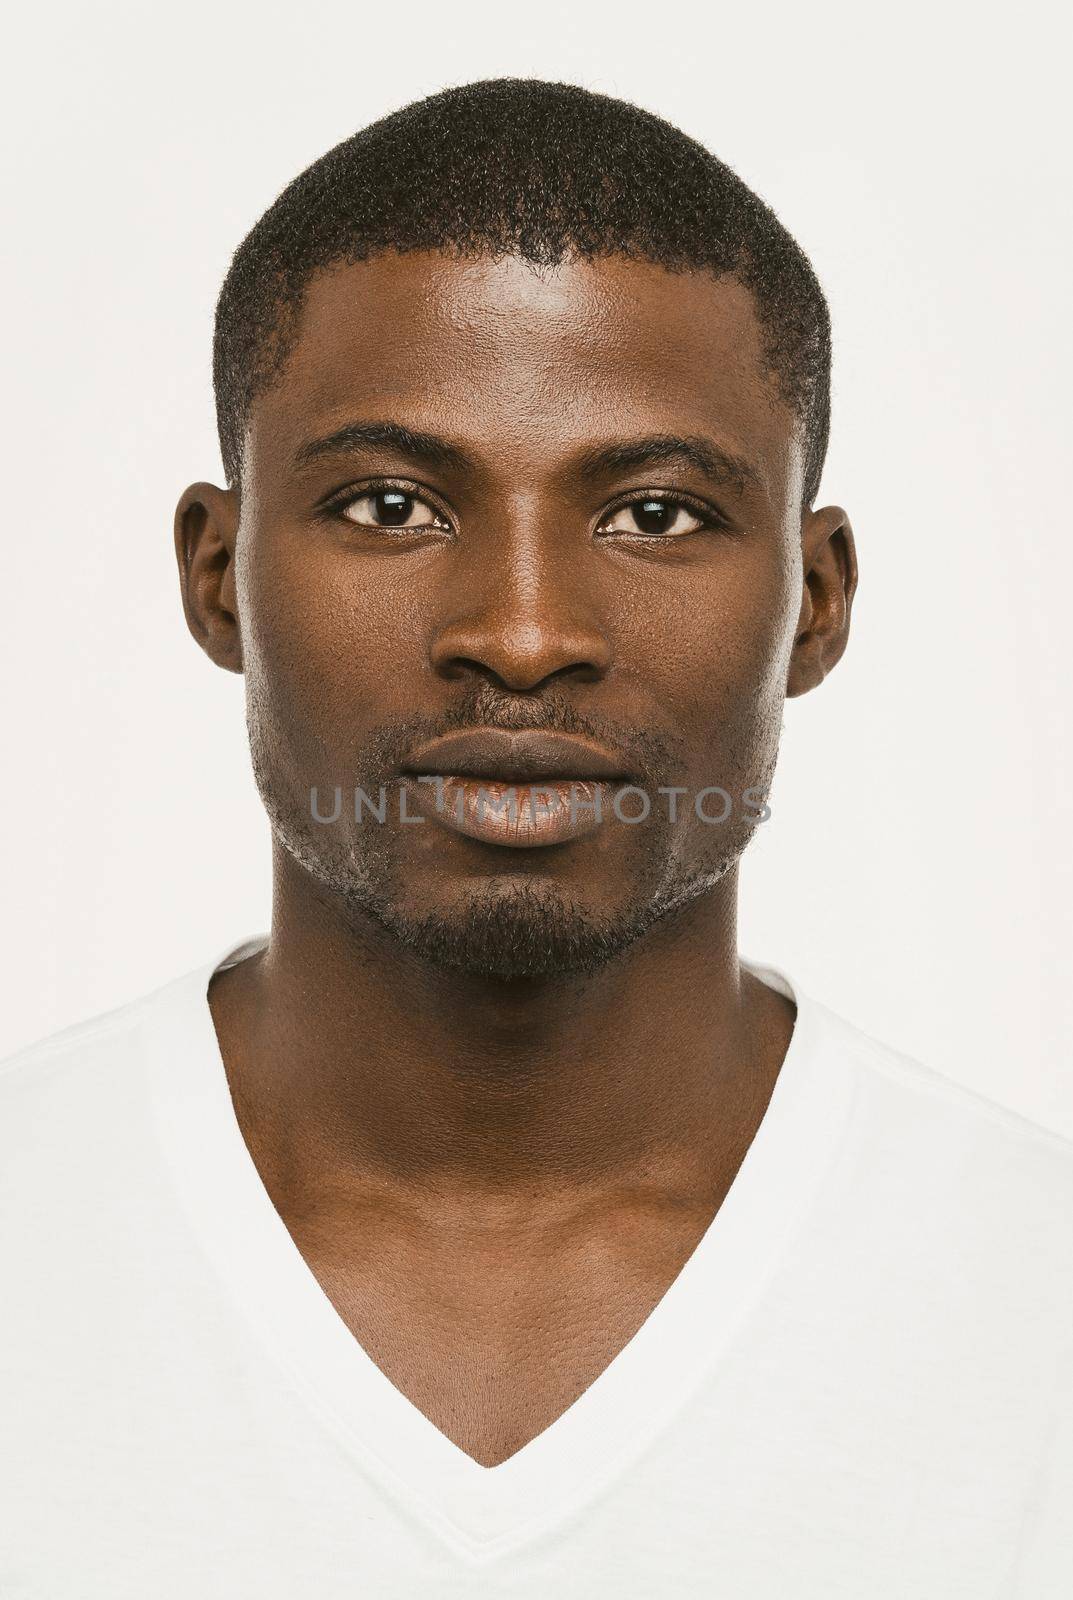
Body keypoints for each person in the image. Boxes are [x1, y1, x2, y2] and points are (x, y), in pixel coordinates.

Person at [2, 77, 1070, 1598]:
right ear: (218, 575)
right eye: (388, 504)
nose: (519, 634)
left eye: (653, 515)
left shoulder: (1040, 1314)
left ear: (816, 602)